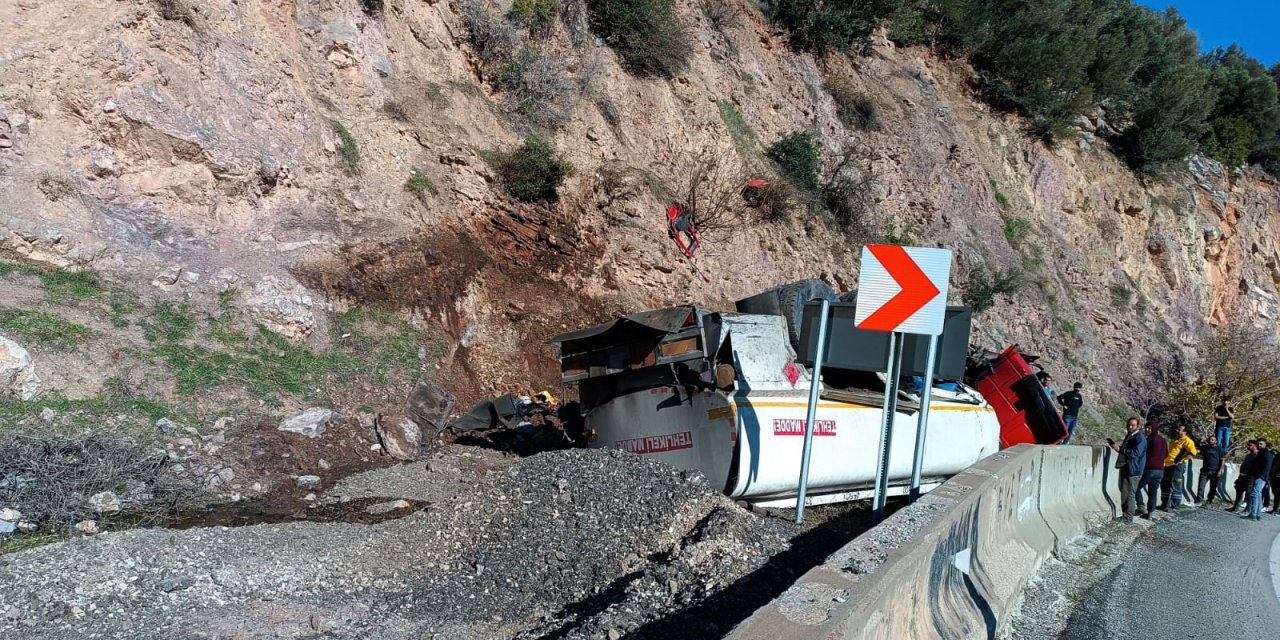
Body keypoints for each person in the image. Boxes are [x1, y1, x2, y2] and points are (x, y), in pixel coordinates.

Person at [1107, 417, 1146, 523]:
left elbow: (1135, 453)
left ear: (1138, 426)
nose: (1130, 427)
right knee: (1125, 493)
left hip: (1133, 470)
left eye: (1133, 425)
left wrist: (1120, 449)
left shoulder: (1139, 438)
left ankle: (1128, 518)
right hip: (1127, 467)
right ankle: (1126, 515)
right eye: (1129, 425)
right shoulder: (1131, 436)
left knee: (1129, 494)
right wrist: (1117, 447)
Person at [1160, 424, 1198, 510]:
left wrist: (1180, 461)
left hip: (1177, 465)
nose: (1177, 431)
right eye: (1178, 429)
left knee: (1175, 485)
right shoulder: (1175, 440)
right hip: (1167, 464)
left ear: (1185, 432)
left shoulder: (1188, 441)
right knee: (1165, 484)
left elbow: (1192, 453)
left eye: (1180, 430)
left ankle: (1175, 506)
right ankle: (1165, 504)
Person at [1135, 421, 1167, 519]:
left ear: (1154, 429)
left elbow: (1141, 451)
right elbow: (1166, 454)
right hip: (1160, 470)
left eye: (1149, 428)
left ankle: (1140, 506)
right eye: (1146, 428)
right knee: (1153, 492)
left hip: (1150, 469)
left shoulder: (1150, 439)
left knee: (1135, 487)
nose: (1147, 430)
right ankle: (1150, 513)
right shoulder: (1163, 440)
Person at [1245, 438, 1274, 521]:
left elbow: (1267, 467)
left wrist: (1260, 477)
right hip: (1258, 476)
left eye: (1261, 444)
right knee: (1258, 494)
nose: (1259, 445)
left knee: (1255, 494)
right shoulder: (1261, 453)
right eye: (1258, 444)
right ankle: (1256, 514)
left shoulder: (1266, 454)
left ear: (1265, 444)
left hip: (1261, 477)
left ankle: (1253, 515)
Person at [1227, 440, 1259, 513]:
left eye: (1250, 445)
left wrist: (1251, 477)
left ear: (1255, 445)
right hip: (1242, 476)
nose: (1248, 446)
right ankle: (1235, 507)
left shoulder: (1257, 456)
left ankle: (1248, 509)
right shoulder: (1249, 455)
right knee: (1239, 492)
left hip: (1249, 478)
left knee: (1248, 493)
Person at [1196, 434, 1225, 505]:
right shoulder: (1205, 447)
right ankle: (1199, 500)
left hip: (1215, 471)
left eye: (1212, 440)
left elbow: (1222, 460)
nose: (1210, 441)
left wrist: (1220, 470)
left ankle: (1209, 500)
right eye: (1209, 439)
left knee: (1213, 487)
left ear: (1216, 441)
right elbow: (1196, 451)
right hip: (1205, 471)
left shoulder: (1219, 449)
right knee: (1201, 487)